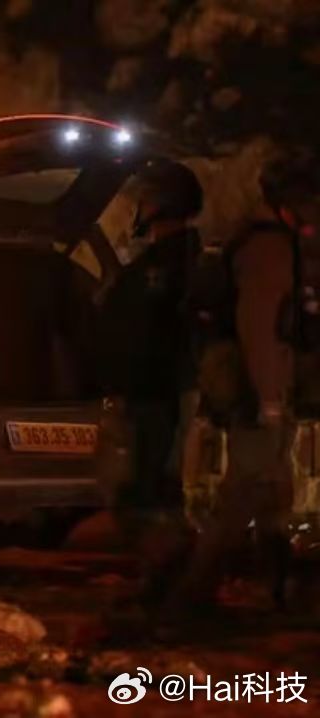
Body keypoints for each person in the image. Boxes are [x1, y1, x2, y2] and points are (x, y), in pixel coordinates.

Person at [171, 156, 311, 612]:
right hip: (258, 392)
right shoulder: (269, 248)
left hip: (260, 388)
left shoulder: (260, 241)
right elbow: (260, 326)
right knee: (244, 491)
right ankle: (191, 594)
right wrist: (269, 398)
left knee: (274, 490)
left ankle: (277, 588)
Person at [97, 160, 205, 603]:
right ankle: (167, 579)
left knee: (148, 490)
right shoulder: (181, 260)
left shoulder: (165, 266)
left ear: (160, 204)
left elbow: (141, 332)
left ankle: (167, 582)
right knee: (153, 487)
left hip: (156, 393)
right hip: (161, 391)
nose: (138, 208)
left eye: (144, 199)